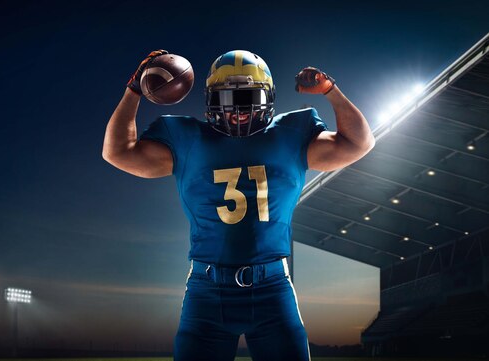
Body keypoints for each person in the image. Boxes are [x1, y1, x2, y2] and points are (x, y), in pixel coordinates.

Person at [102, 49, 375, 361]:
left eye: (247, 97)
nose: (237, 108)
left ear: (267, 98)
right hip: (207, 288)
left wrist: (331, 90)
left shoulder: (290, 134)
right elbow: (118, 152)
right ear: (211, 100)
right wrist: (134, 89)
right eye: (228, 97)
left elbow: (358, 143)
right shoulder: (188, 138)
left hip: (272, 286)